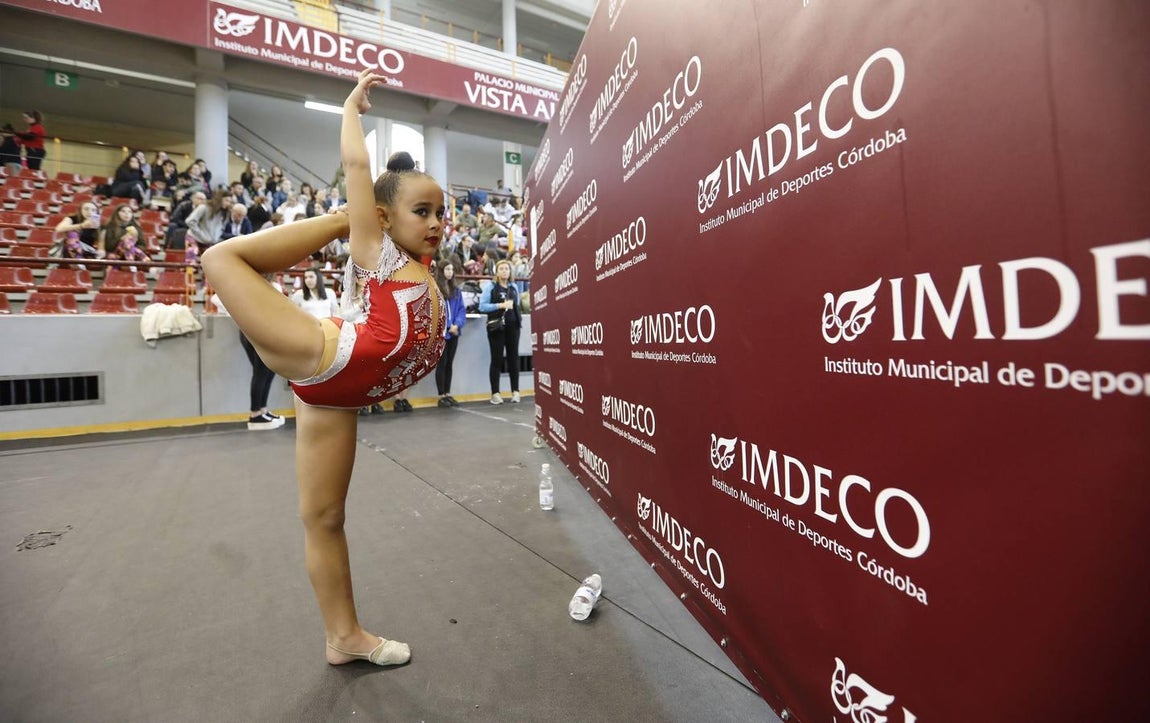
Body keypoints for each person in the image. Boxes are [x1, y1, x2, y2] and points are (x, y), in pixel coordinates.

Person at [201, 68, 446, 668]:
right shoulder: (380, 253)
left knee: (323, 517)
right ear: (383, 220)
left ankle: (344, 637)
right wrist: (350, 114)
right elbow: (361, 172)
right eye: (423, 211)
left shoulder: (419, 267)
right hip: (322, 353)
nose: (438, 222)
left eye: (443, 211)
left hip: (333, 395)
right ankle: (337, 216)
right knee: (221, 258)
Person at [478, 259, 522, 404]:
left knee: (513, 359)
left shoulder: (514, 287)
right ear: (497, 271)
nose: (504, 271)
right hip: (496, 327)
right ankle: (495, 393)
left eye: (506, 269)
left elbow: (518, 305)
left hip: (513, 326)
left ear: (510, 272)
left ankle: (515, 391)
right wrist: (500, 305)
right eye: (501, 269)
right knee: (496, 359)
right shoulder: (490, 287)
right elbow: (482, 306)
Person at [434, 259, 466, 407]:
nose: (450, 272)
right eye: (447, 269)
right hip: (441, 333)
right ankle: (441, 395)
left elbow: (461, 309)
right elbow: (435, 310)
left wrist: (457, 325)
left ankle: (448, 393)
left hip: (453, 332)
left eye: (451, 270)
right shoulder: (435, 289)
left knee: (450, 364)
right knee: (442, 363)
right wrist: (446, 325)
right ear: (441, 271)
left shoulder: (456, 290)